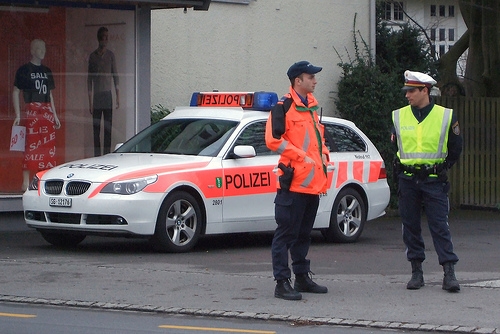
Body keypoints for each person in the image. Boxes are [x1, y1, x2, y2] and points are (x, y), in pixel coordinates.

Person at [391, 70, 463, 292]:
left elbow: (456, 148)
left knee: (440, 226)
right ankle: (416, 272)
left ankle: (449, 273)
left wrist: (441, 168)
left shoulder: (446, 116)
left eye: (411, 91)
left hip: (434, 180)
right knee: (410, 226)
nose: (407, 95)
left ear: (425, 91)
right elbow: (395, 146)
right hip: (408, 179)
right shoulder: (398, 115)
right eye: (406, 91)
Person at [265, 61, 330, 300]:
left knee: (303, 235)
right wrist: (299, 155)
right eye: (310, 77)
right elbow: (273, 141)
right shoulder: (283, 107)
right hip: (292, 184)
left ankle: (301, 277)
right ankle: (282, 282)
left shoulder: (311, 107)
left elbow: (317, 141)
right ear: (297, 81)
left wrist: (323, 155)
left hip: (311, 185)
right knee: (285, 234)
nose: (315, 80)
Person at [13, 39, 61, 191]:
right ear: (32, 50)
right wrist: (18, 114)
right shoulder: (24, 70)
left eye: (44, 48)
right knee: (30, 146)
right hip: (32, 111)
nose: (42, 51)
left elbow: (50, 95)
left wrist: (55, 115)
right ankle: (26, 181)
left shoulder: (47, 71)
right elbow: (16, 91)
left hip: (46, 112)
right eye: (39, 48)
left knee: (47, 147)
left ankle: (43, 179)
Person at [88, 26, 120, 156]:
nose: (104, 40)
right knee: (96, 129)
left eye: (106, 37)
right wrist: (90, 101)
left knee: (108, 128)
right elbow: (89, 79)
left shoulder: (110, 55)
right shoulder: (93, 56)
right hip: (97, 95)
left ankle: (106, 155)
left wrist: (118, 97)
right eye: (102, 37)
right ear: (98, 38)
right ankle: (97, 155)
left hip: (107, 94)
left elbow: (115, 76)